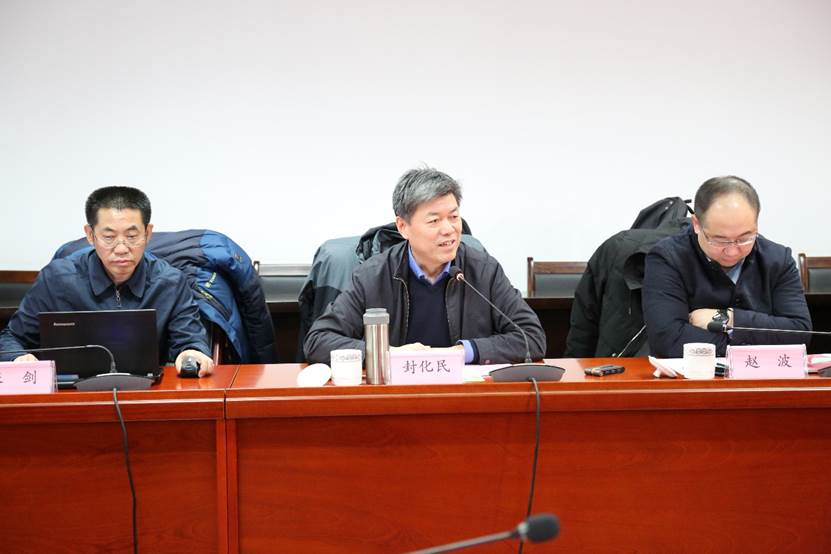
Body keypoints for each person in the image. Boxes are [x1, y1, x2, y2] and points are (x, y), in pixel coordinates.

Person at [304, 167, 545, 364]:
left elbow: (532, 338)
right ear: (403, 227)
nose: (449, 229)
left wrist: (463, 352)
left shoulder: (483, 270)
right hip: (398, 397)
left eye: (454, 217)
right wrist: (388, 354)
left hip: (462, 397)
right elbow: (318, 341)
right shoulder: (374, 275)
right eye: (434, 220)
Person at [0, 186, 214, 376]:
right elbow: (11, 338)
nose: (121, 248)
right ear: (90, 235)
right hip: (70, 395)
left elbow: (190, 340)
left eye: (132, 236)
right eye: (109, 237)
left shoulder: (170, 282)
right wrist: (19, 358)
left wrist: (192, 353)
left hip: (146, 391)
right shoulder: (56, 280)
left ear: (148, 233)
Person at [642, 175, 811, 358]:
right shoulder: (667, 258)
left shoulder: (778, 259)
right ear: (697, 224)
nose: (732, 251)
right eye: (719, 240)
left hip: (762, 374)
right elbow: (668, 341)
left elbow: (800, 333)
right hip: (692, 375)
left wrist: (728, 319)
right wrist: (760, 341)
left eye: (744, 238)